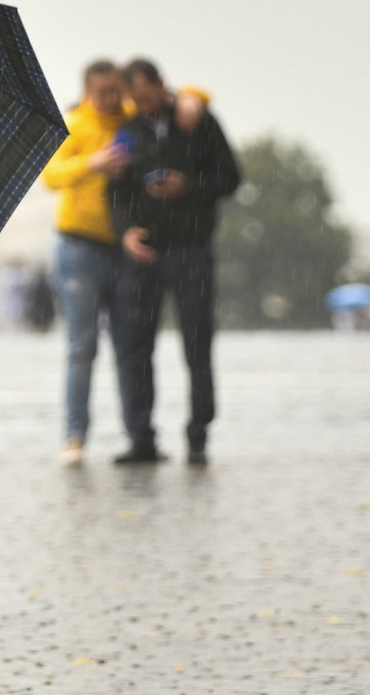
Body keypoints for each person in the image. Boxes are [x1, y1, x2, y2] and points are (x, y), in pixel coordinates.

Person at [106, 66, 241, 466]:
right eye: (137, 100)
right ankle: (140, 436)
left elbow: (231, 178)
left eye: (149, 96)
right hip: (143, 252)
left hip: (191, 249)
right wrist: (125, 231)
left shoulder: (196, 121)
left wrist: (189, 186)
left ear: (162, 85)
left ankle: (199, 434)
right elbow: (115, 192)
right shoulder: (129, 130)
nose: (145, 105)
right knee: (134, 347)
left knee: (198, 343)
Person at [37, 60, 129, 466]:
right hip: (78, 247)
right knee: (82, 345)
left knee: (129, 344)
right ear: (88, 91)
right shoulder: (74, 123)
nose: (110, 99)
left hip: (125, 247)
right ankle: (74, 436)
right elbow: (51, 175)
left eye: (115, 91)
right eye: (102, 92)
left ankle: (137, 435)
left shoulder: (131, 121)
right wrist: (92, 163)